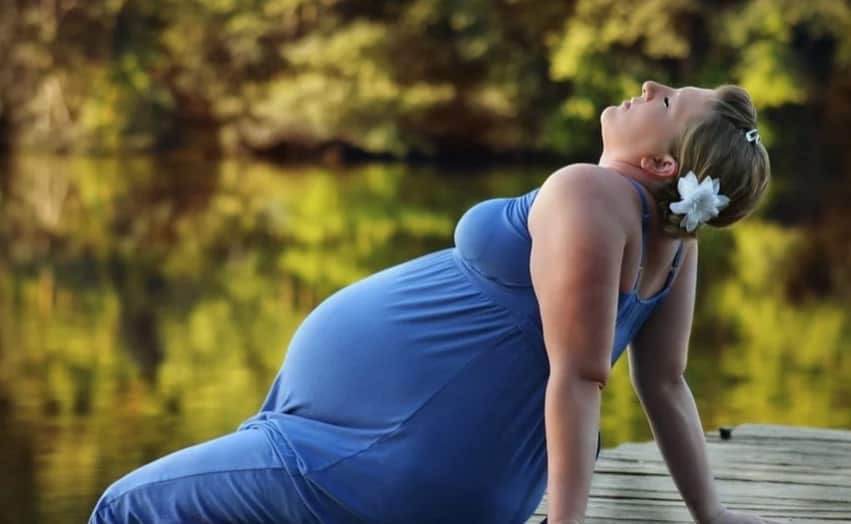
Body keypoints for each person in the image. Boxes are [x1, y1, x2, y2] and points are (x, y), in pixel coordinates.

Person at [88, 80, 774, 524]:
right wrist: (709, 515)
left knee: (124, 509)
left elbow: (582, 376)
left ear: (661, 166)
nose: (648, 86)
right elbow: (664, 383)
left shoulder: (587, 192)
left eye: (663, 103)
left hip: (364, 464)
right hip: (425, 474)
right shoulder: (677, 238)